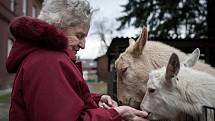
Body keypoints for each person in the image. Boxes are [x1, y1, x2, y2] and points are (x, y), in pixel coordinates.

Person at [6, 0, 149, 121]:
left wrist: (97, 99)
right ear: (58, 27)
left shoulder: (47, 57)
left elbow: (62, 101)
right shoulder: (49, 63)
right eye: (79, 36)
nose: (83, 45)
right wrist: (116, 114)